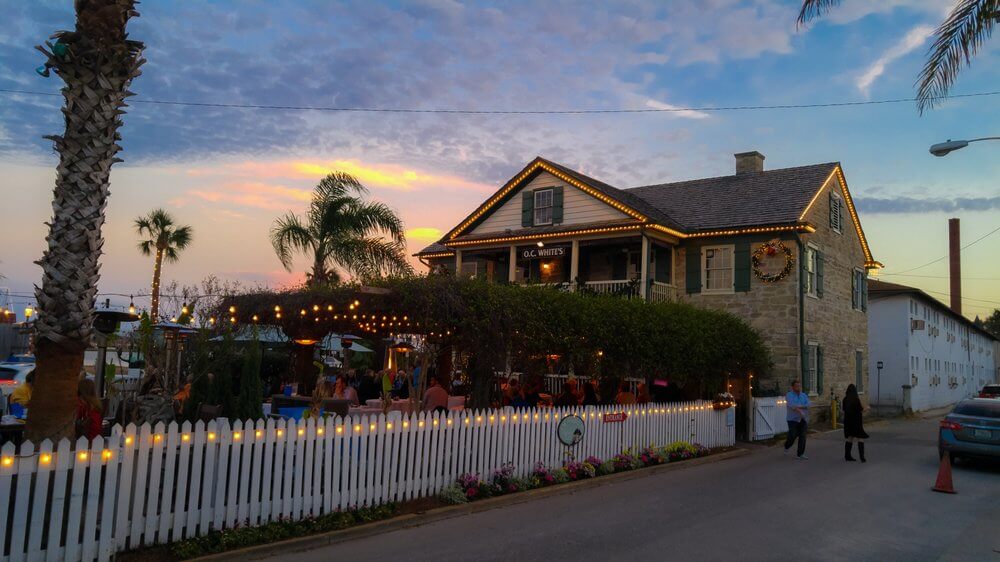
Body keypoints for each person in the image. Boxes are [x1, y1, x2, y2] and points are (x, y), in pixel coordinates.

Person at [842, 383, 869, 462]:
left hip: (847, 421)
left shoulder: (845, 399)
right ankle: (862, 457)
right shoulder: (856, 400)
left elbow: (843, 410)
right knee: (860, 438)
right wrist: (867, 408)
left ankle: (847, 455)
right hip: (856, 421)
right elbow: (861, 409)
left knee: (849, 437)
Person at [784, 380, 810, 459]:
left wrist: (799, 407)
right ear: (792, 387)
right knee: (793, 435)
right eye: (796, 386)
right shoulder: (789, 395)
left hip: (803, 419)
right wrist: (800, 408)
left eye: (799, 386)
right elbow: (792, 406)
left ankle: (800, 454)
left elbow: (808, 405)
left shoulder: (803, 395)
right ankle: (787, 446)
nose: (798, 388)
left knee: (803, 436)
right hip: (792, 419)